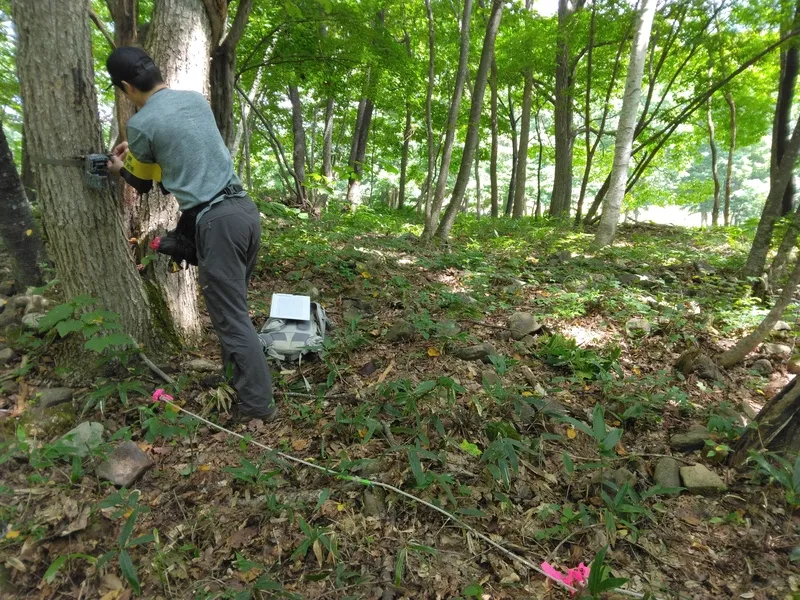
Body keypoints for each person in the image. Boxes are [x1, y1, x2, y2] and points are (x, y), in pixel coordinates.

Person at [105, 46, 276, 424]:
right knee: (234, 311)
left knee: (230, 319)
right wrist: (136, 148)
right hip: (245, 212)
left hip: (217, 223)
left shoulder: (141, 123)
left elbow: (144, 182)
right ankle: (234, 377)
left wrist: (120, 167)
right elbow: (183, 141)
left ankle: (256, 407)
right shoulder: (194, 100)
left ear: (126, 86)